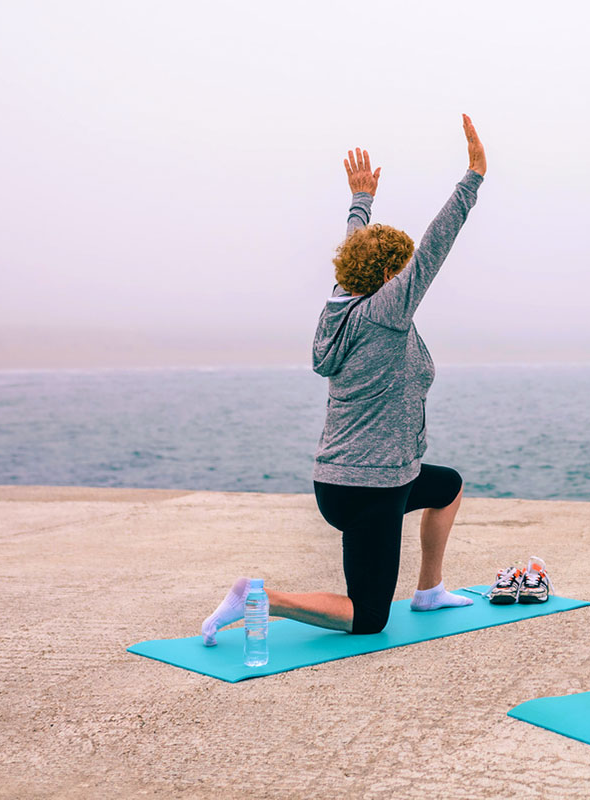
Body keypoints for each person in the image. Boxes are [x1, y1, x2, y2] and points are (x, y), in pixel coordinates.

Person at [200, 115, 488, 643]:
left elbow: (358, 247)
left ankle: (428, 590)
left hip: (349, 479)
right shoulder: (387, 311)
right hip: (370, 487)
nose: (407, 276)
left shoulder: (341, 303)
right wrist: (472, 178)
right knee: (369, 616)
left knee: (446, 486)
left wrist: (360, 203)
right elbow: (434, 247)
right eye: (399, 270)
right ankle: (260, 597)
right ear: (387, 277)